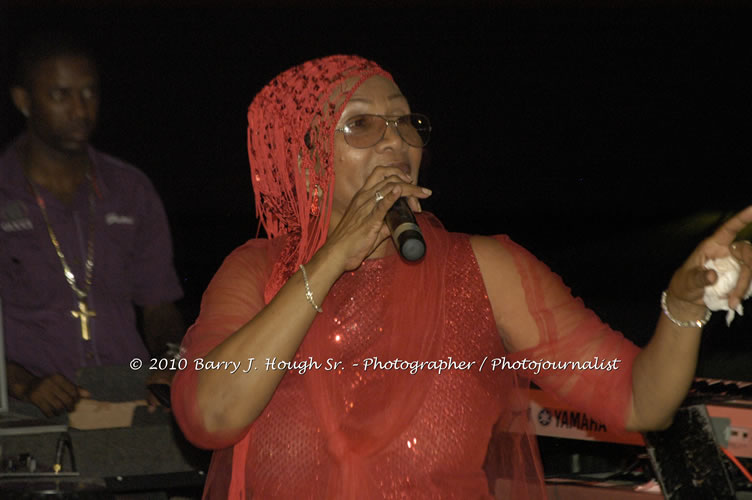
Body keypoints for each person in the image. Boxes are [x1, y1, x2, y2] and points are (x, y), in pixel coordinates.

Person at [171, 55, 752, 499]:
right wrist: (329, 261)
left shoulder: (485, 269)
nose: (397, 139)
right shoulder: (256, 271)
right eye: (363, 125)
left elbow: (638, 400)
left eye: (406, 122)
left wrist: (684, 306)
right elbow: (211, 415)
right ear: (305, 159)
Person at [0, 32, 184, 417]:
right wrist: (23, 383)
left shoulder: (130, 189)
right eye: (61, 95)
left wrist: (168, 369)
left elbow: (159, 307)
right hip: (28, 407)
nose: (80, 110)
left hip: (128, 399)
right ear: (23, 101)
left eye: (89, 93)